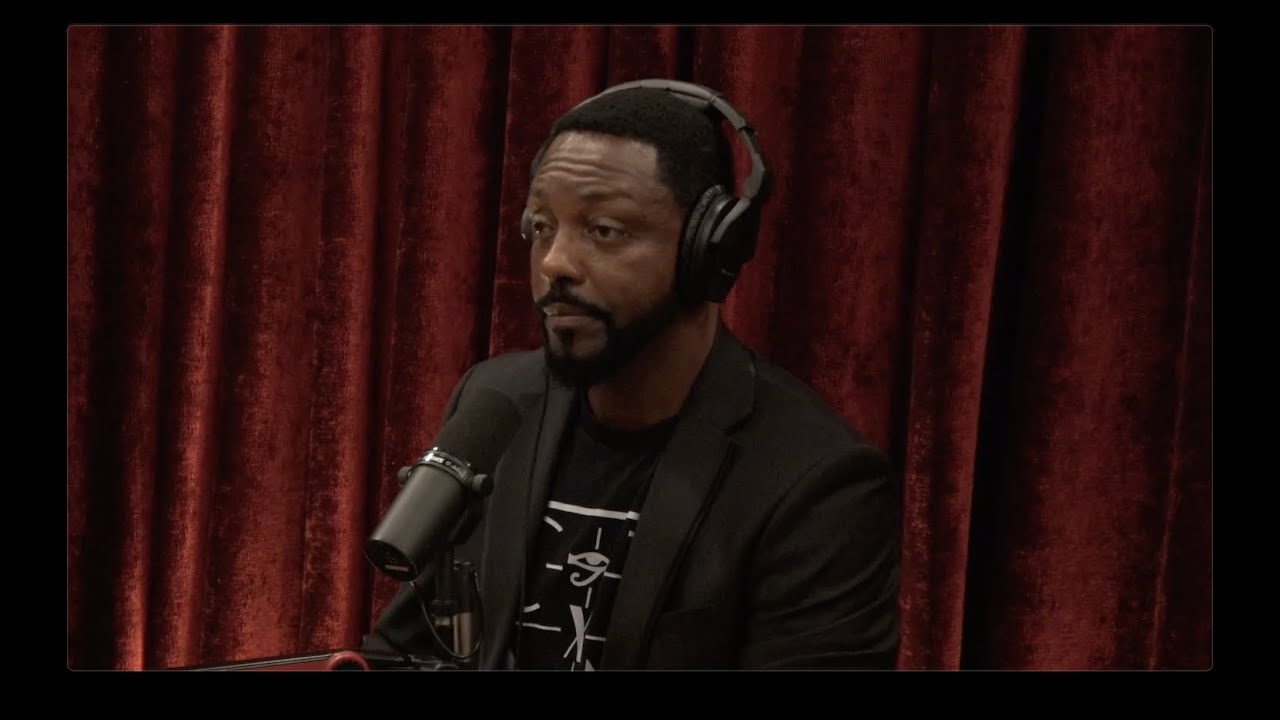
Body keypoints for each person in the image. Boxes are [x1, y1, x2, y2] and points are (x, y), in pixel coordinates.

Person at [361, 79, 901, 670]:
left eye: (605, 230)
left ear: (707, 251)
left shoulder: (816, 482)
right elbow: (404, 649)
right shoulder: (498, 403)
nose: (555, 263)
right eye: (542, 226)